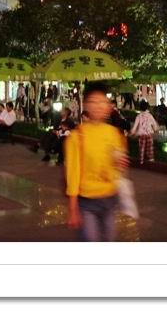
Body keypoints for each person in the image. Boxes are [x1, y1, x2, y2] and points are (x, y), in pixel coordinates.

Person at [65, 83, 129, 242]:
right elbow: (73, 174)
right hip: (87, 202)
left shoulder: (114, 133)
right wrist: (73, 209)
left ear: (108, 106)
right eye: (93, 101)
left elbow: (118, 166)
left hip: (110, 199)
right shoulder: (77, 136)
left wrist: (120, 164)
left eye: (102, 101)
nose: (98, 106)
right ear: (86, 105)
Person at [130, 100, 159, 164]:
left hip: (141, 135)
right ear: (147, 108)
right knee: (150, 148)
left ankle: (141, 160)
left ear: (140, 108)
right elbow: (154, 124)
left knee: (142, 148)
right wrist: (155, 129)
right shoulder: (150, 116)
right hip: (149, 134)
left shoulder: (138, 116)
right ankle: (151, 159)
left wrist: (132, 132)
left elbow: (135, 126)